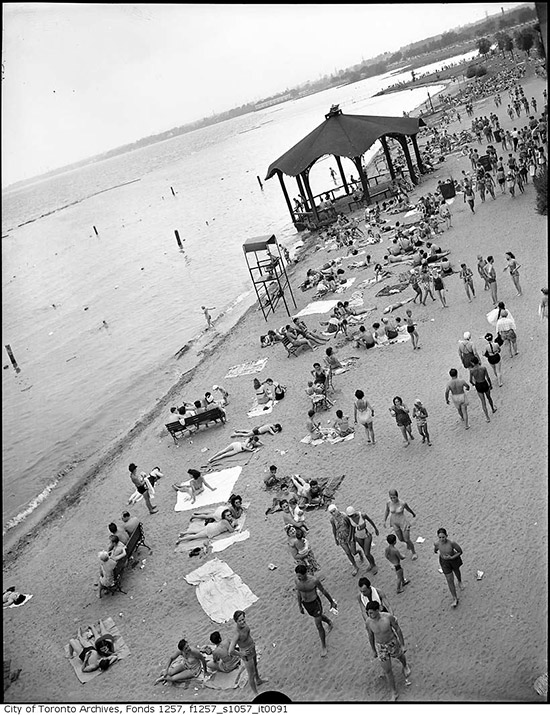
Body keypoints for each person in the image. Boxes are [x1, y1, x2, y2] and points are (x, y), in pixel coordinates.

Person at [365, 601, 411, 701]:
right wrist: (373, 650)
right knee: (387, 670)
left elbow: (397, 629)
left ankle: (405, 665)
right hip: (381, 647)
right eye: (368, 613)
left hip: (392, 642)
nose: (370, 615)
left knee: (400, 656)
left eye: (371, 612)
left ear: (378, 610)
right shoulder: (368, 622)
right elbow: (370, 636)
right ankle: (393, 692)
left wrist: (402, 644)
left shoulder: (388, 617)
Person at [294, 564, 337, 657]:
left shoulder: (313, 581)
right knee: (318, 617)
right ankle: (329, 621)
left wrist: (331, 602)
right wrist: (300, 605)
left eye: (300, 576)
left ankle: (324, 646)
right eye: (298, 576)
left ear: (305, 573)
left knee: (318, 624)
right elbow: (298, 593)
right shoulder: (297, 581)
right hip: (306, 604)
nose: (299, 578)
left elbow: (323, 591)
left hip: (315, 603)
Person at [228, 611, 266, 695]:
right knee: (251, 674)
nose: (242, 622)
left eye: (243, 619)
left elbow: (248, 635)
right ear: (236, 621)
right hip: (246, 654)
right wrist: (241, 654)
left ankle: (258, 680)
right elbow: (230, 650)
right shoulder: (237, 633)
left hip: (252, 648)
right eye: (240, 621)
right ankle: (256, 693)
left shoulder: (245, 625)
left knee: (255, 666)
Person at [434, 528, 464, 608]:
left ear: (446, 536)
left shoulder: (452, 543)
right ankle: (454, 598)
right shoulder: (437, 543)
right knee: (449, 579)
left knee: (457, 571)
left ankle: (459, 581)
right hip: (444, 562)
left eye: (443, 537)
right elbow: (436, 549)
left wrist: (451, 557)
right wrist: (435, 551)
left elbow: (460, 552)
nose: (441, 539)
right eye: (440, 537)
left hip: (453, 559)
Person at [384, 489, 417, 559]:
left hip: (402, 522)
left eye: (394, 497)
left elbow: (408, 509)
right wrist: (384, 520)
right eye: (391, 497)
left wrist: (413, 513)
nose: (393, 499)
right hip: (394, 522)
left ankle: (414, 552)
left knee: (407, 539)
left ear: (397, 496)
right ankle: (408, 544)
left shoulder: (402, 503)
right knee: (401, 539)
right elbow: (387, 511)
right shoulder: (388, 503)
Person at [327, 504, 359, 575]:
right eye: (331, 512)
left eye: (334, 511)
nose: (333, 513)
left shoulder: (344, 516)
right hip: (341, 537)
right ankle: (355, 566)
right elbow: (334, 529)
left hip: (348, 535)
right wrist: (335, 538)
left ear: (337, 509)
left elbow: (351, 526)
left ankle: (359, 552)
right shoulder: (332, 519)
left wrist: (350, 536)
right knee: (348, 552)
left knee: (353, 552)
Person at [346, 506, 379, 572]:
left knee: (367, 553)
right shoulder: (350, 519)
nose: (351, 517)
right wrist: (350, 538)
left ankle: (374, 565)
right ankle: (371, 564)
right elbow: (352, 529)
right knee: (365, 552)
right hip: (358, 537)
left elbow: (370, 520)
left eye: (352, 515)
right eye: (350, 516)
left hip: (366, 535)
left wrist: (375, 529)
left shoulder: (362, 515)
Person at [469, 356, 497, 423]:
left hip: (478, 384)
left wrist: (474, 384)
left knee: (483, 402)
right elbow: (488, 377)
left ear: (472, 363)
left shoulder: (472, 371)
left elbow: (470, 380)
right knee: (489, 397)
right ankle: (493, 408)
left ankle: (487, 417)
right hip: (484, 383)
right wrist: (490, 384)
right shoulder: (483, 368)